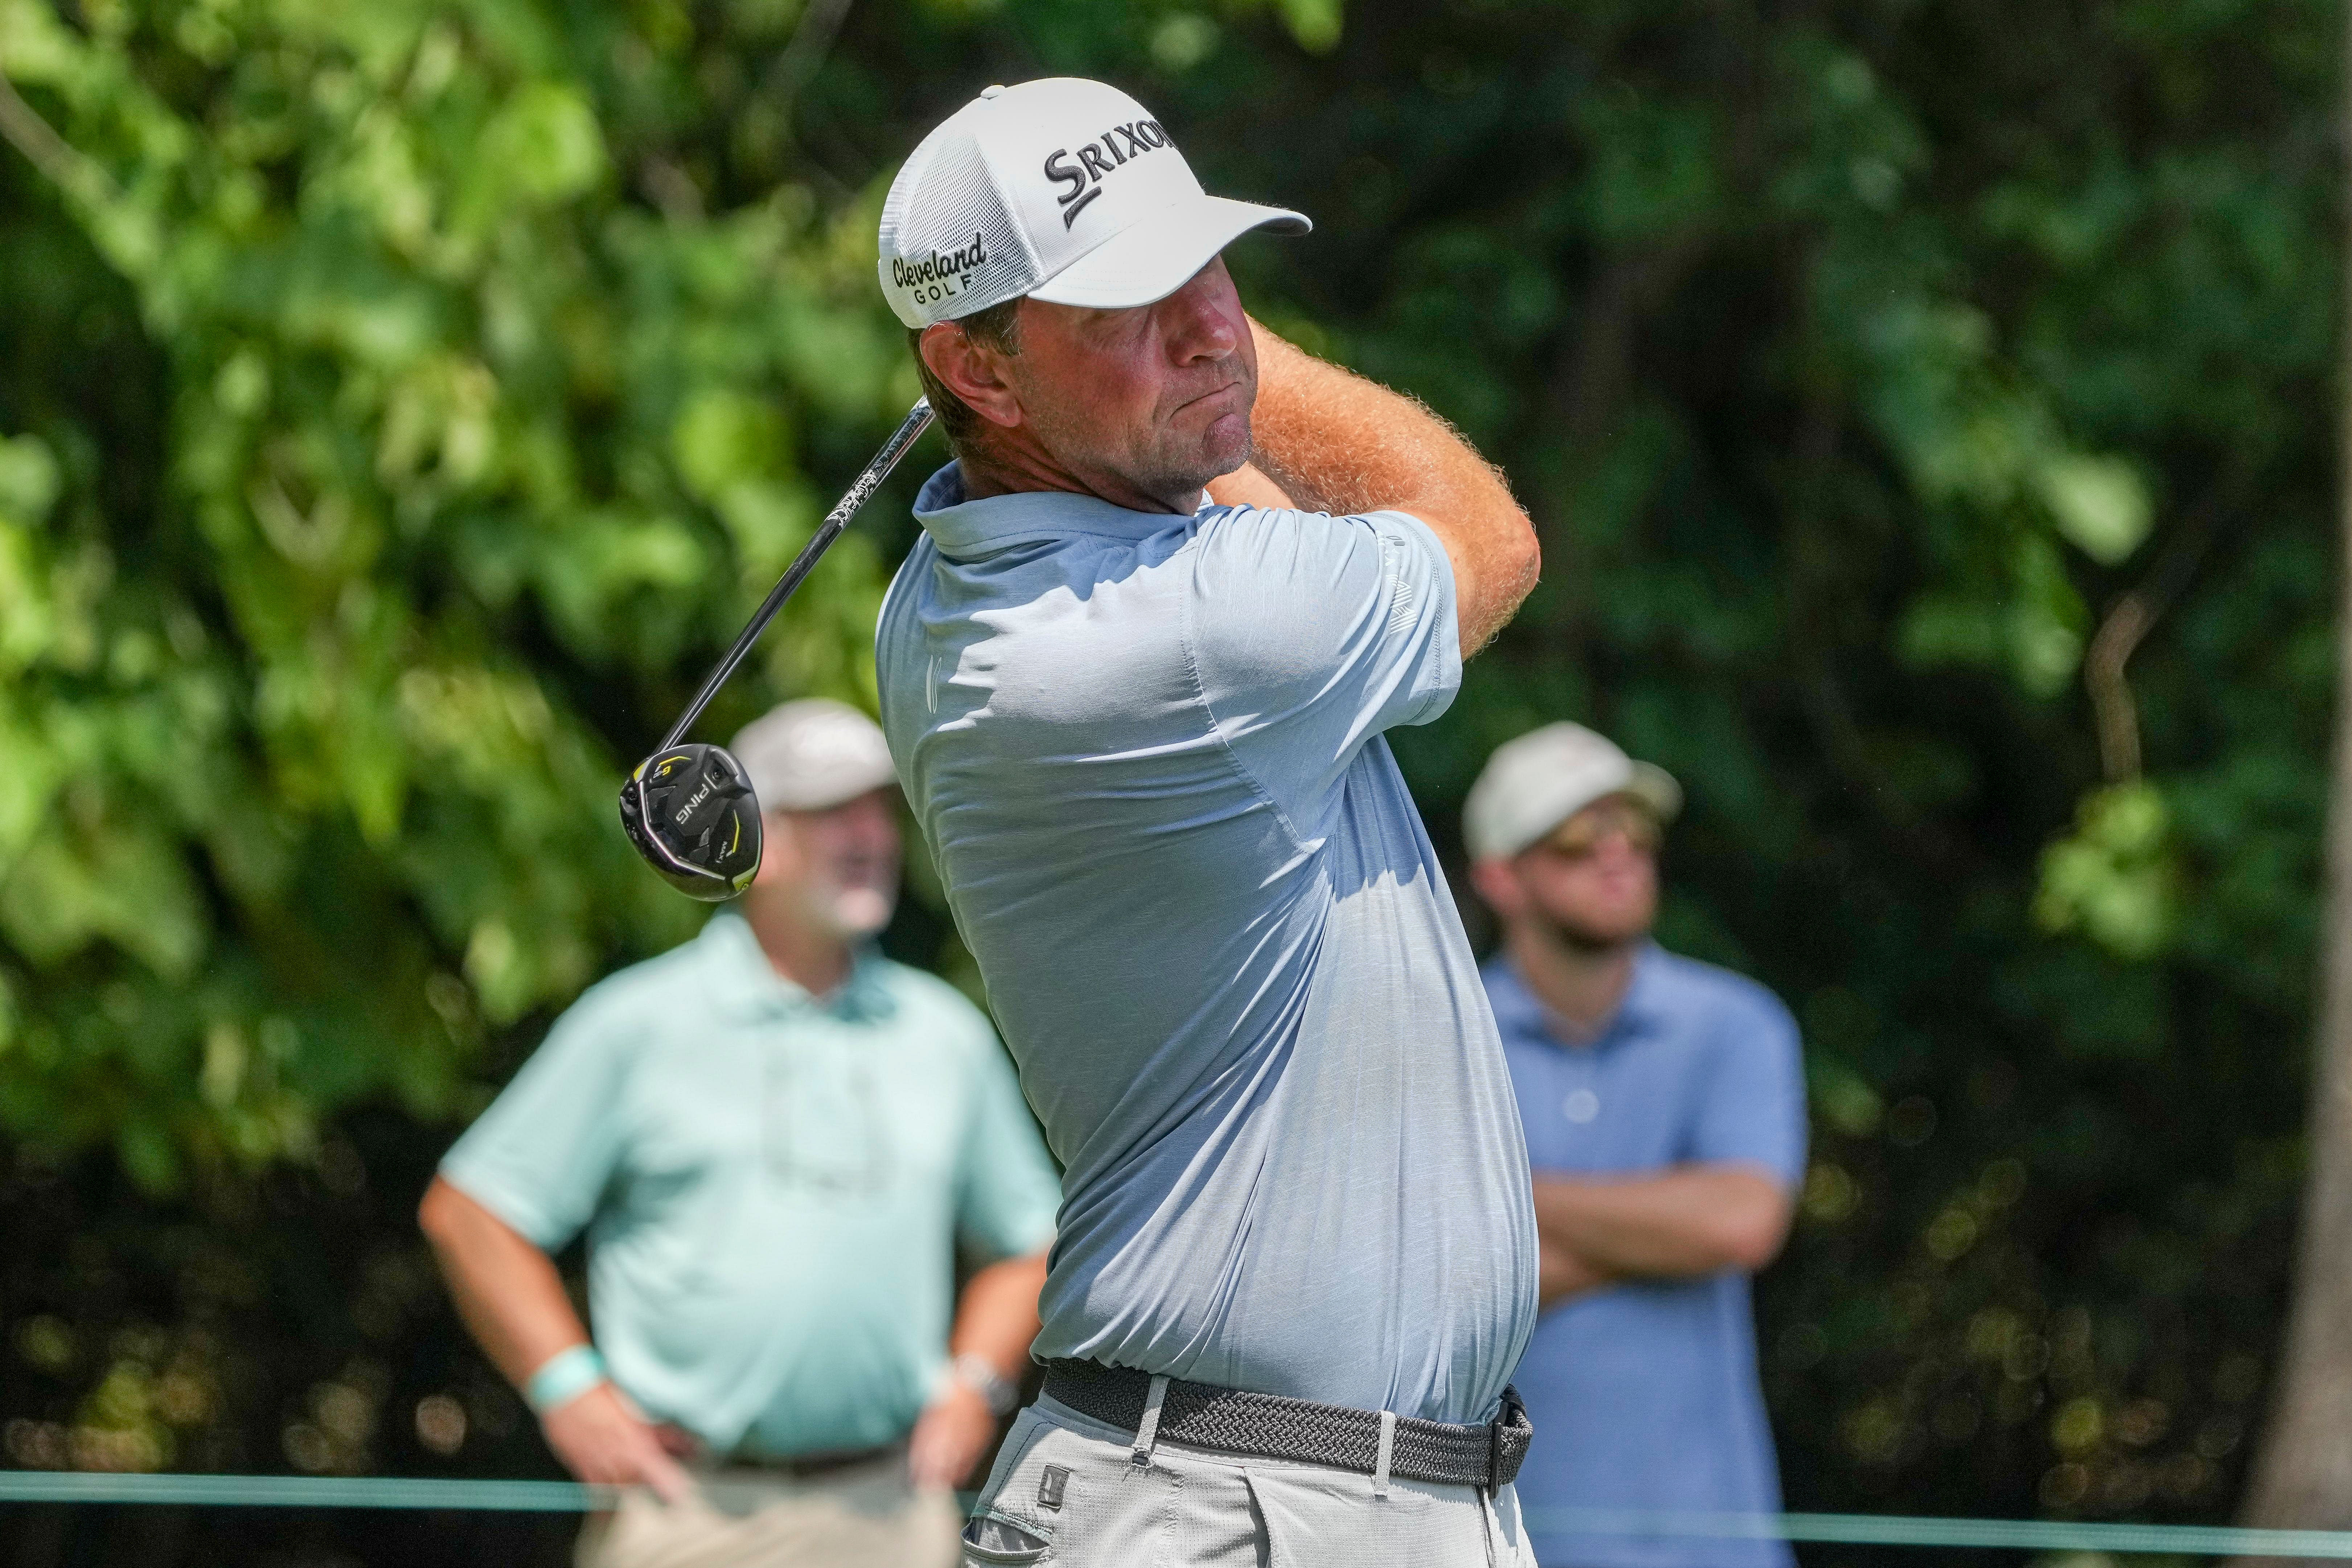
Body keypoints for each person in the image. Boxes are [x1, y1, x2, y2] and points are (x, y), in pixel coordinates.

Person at [870, 77, 1544, 1568]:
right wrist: (1255, 361)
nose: (1207, 325)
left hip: (1275, 1488)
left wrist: (1174, 359)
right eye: (1128, 301)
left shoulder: (960, 592)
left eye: (1211, 272)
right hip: (1231, 1506)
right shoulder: (1182, 643)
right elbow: (1482, 537)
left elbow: (1228, 522)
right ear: (975, 373)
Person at [418, 698, 1062, 1568]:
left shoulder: (942, 1032)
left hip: (890, 1512)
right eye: (829, 811)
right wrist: (569, 1390)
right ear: (743, 837)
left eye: (878, 806)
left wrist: (974, 1388)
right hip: (685, 1512)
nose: (868, 833)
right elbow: (471, 1213)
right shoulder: (639, 1021)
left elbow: (1032, 1243)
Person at [1463, 722, 1808, 1568]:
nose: (1618, 853)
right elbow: (1418, 1276)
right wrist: (1660, 1233)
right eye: (1577, 837)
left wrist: (1503, 1204)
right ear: (1501, 874)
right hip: (1486, 1546)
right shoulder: (1443, 1034)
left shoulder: (1735, 1021)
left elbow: (1737, 1224)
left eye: (1635, 830)